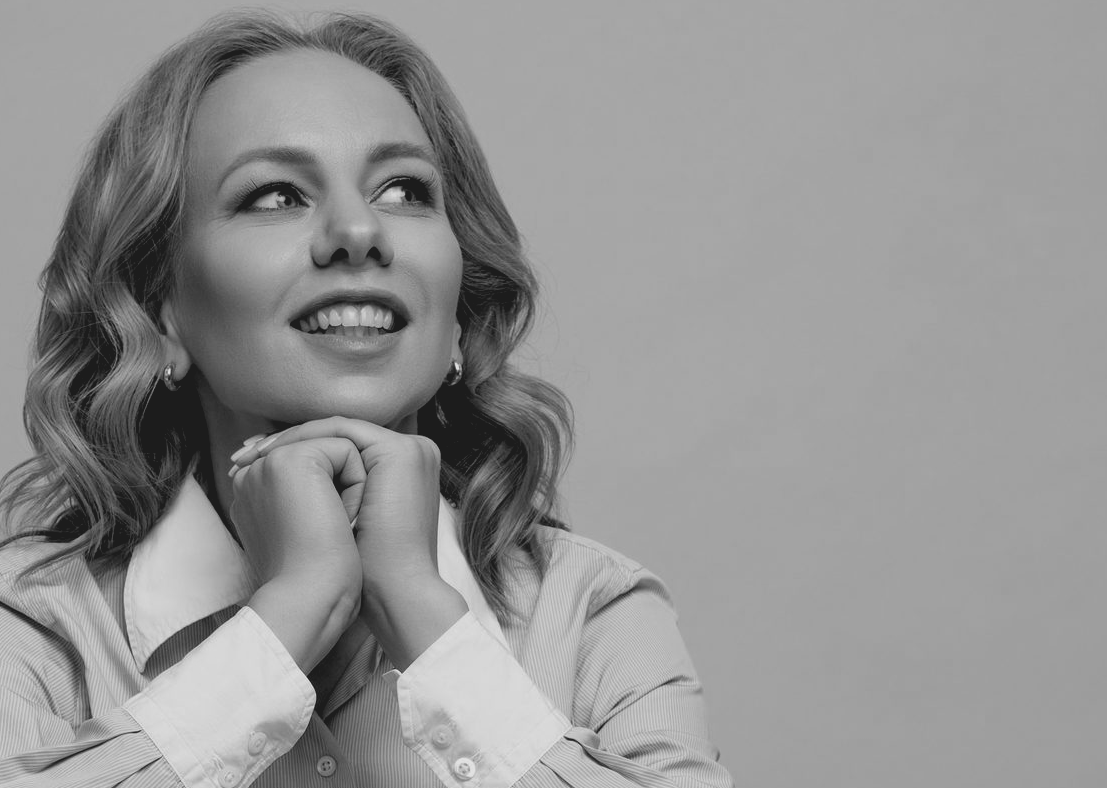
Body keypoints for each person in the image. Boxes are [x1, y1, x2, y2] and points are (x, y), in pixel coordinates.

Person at [0, 10, 731, 788]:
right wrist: (294, 611)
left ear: (458, 315)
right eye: (275, 195)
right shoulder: (35, 620)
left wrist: (420, 612)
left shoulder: (592, 613)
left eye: (402, 189)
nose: (358, 230)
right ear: (159, 312)